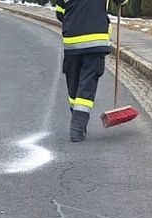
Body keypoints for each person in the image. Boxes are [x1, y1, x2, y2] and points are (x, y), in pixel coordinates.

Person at [55, 0, 115, 141]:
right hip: (96, 40)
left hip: (72, 41)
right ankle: (77, 126)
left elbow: (59, 13)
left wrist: (75, 19)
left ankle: (78, 123)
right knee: (87, 83)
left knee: (73, 84)